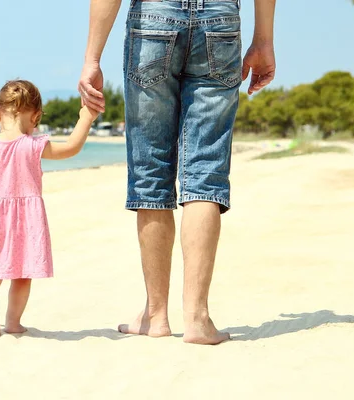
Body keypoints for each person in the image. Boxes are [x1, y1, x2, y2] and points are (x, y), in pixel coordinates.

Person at [79, 0, 276, 344]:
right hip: (220, 20)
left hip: (154, 19)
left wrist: (92, 58)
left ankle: (156, 316)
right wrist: (264, 39)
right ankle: (197, 317)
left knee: (151, 170)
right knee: (206, 171)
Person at [0, 80, 98, 337]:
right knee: (22, 273)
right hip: (27, 220)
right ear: (35, 116)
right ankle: (13, 322)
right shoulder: (34, 146)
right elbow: (70, 148)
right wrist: (86, 117)